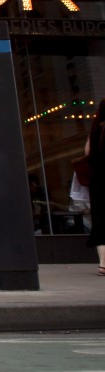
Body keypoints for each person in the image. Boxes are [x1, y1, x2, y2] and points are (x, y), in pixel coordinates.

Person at [85, 98, 105, 276]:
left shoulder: (95, 128)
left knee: (100, 221)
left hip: (98, 181)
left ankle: (103, 263)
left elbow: (87, 152)